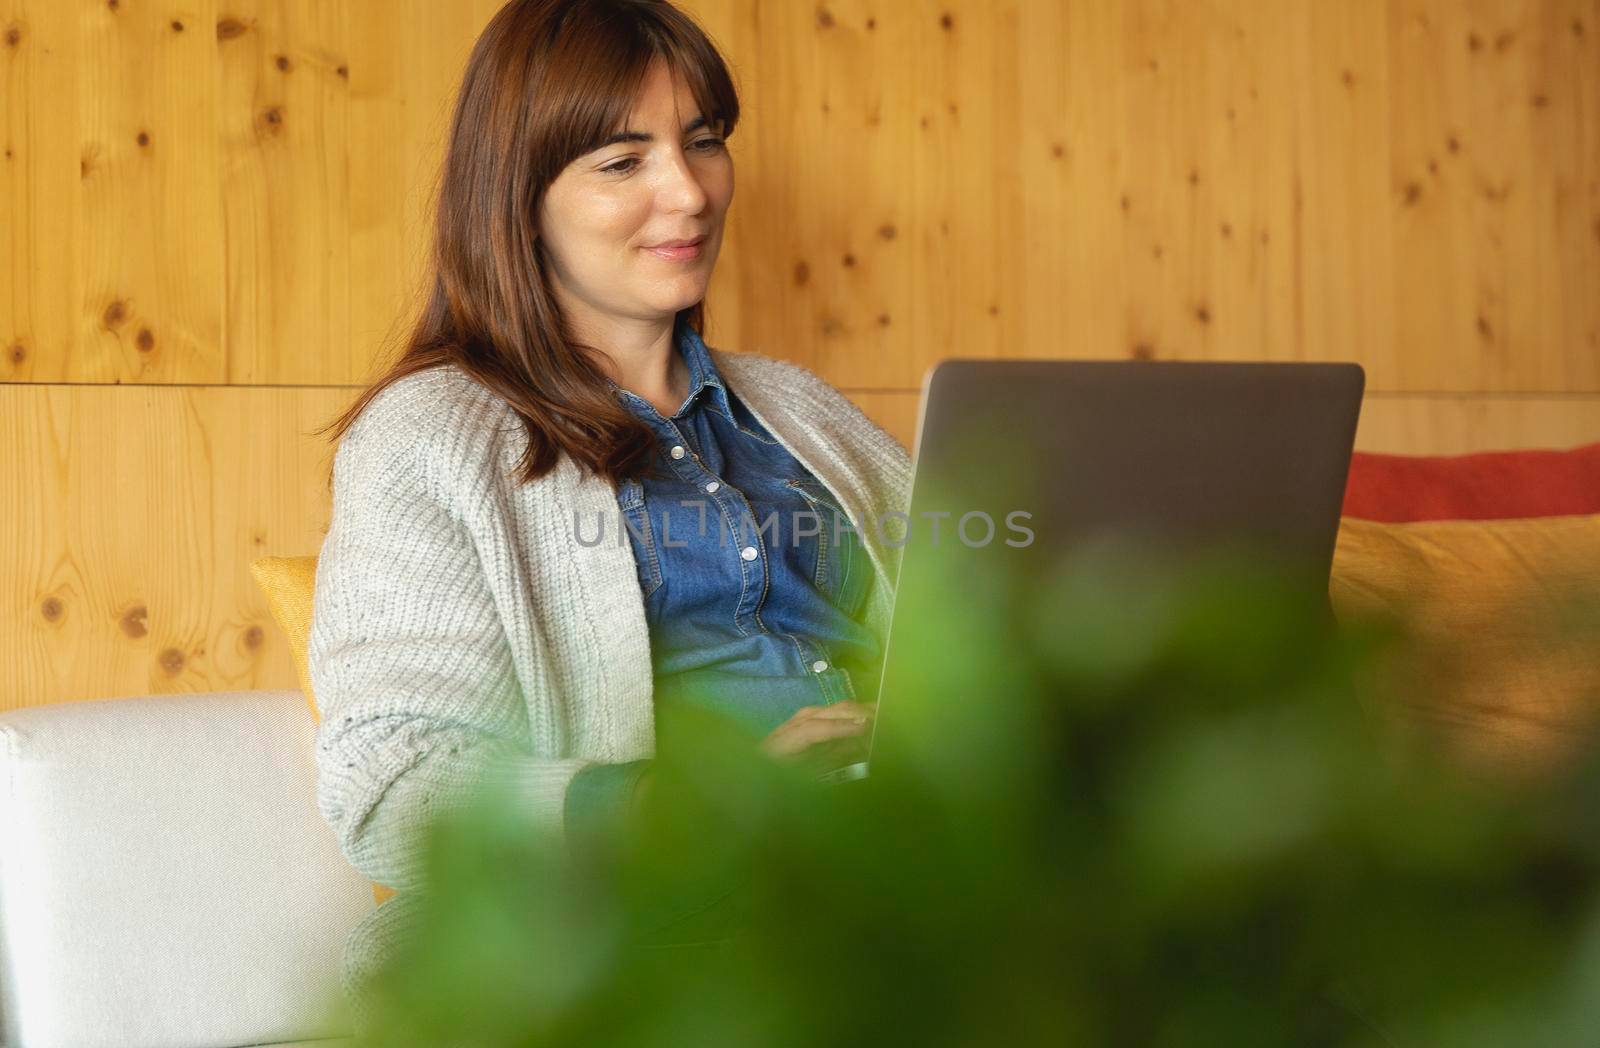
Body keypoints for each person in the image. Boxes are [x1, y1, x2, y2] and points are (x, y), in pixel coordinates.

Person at [305, 0, 910, 1029]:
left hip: (884, 896)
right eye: (622, 161)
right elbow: (389, 785)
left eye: (703, 143)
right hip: (637, 930)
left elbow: (994, 624)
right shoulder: (431, 436)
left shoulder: (803, 411)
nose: (689, 191)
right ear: (520, 199)